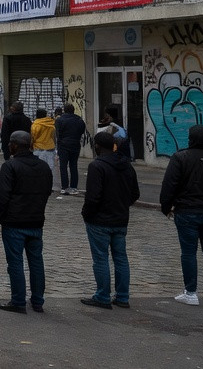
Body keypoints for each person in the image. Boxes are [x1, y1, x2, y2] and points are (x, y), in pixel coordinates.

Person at [0, 131, 52, 314]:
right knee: (36, 261)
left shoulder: (10, 166)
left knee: (15, 262)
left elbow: (3, 194)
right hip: (35, 220)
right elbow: (47, 190)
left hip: (15, 222)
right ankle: (38, 300)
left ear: (15, 145)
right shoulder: (43, 166)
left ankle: (18, 300)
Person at [81, 130, 139, 309]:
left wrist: (87, 214)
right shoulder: (127, 165)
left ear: (97, 146)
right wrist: (122, 205)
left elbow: (93, 196)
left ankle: (103, 296)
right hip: (120, 218)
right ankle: (122, 296)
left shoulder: (97, 166)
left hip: (100, 220)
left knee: (101, 258)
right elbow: (134, 193)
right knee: (121, 258)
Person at [160, 124, 203, 307]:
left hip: (187, 211)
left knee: (188, 253)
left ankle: (191, 291)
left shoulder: (181, 157)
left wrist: (166, 207)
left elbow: (169, 185)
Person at [55, 104, 88, 195]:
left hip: (63, 145)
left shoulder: (59, 120)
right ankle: (74, 187)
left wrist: (59, 145)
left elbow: (58, 134)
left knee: (63, 166)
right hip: (75, 144)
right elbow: (82, 131)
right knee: (73, 166)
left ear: (64, 110)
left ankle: (65, 187)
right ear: (73, 110)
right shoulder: (79, 120)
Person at [30, 108, 57, 175]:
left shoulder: (35, 125)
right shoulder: (51, 124)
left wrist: (30, 147)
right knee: (49, 169)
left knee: (38, 170)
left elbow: (33, 138)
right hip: (50, 148)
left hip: (38, 149)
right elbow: (53, 137)